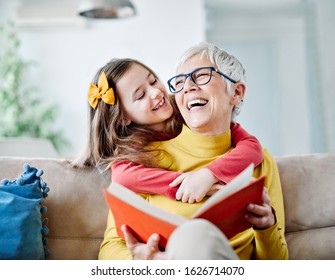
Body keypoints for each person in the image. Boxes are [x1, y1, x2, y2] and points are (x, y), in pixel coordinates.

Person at [97, 42, 288, 260]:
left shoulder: (260, 161)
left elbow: (278, 264)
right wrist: (145, 262)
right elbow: (109, 250)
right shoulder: (142, 160)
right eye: (180, 81)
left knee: (197, 234)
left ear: (236, 92)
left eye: (201, 76)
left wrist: (266, 227)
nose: (188, 87)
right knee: (194, 234)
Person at [77, 58, 263, 204]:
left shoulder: (189, 108)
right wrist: (186, 184)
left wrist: (208, 175)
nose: (155, 92)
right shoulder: (135, 147)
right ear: (123, 118)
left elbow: (252, 147)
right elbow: (123, 176)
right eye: (141, 95)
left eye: (153, 81)